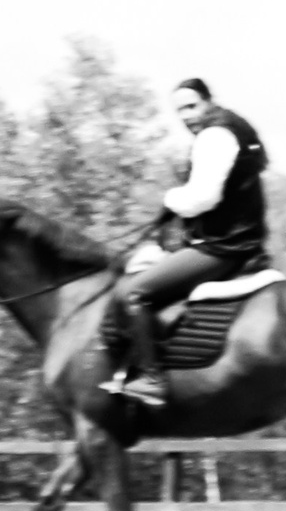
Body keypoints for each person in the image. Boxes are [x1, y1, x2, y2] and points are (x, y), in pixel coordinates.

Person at [100, 77, 272, 411]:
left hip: (221, 248)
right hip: (237, 241)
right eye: (179, 110)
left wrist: (171, 199)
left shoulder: (215, 135)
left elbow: (203, 198)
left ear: (210, 101)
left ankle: (151, 379)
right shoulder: (235, 128)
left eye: (192, 106)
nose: (186, 116)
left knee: (134, 293)